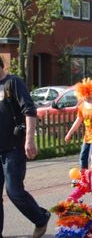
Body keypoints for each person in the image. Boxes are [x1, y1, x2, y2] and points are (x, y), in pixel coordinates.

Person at [0, 56, 50, 238]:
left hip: (13, 148)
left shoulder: (13, 83)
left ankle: (41, 218)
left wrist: (29, 139)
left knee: (14, 191)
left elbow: (29, 110)